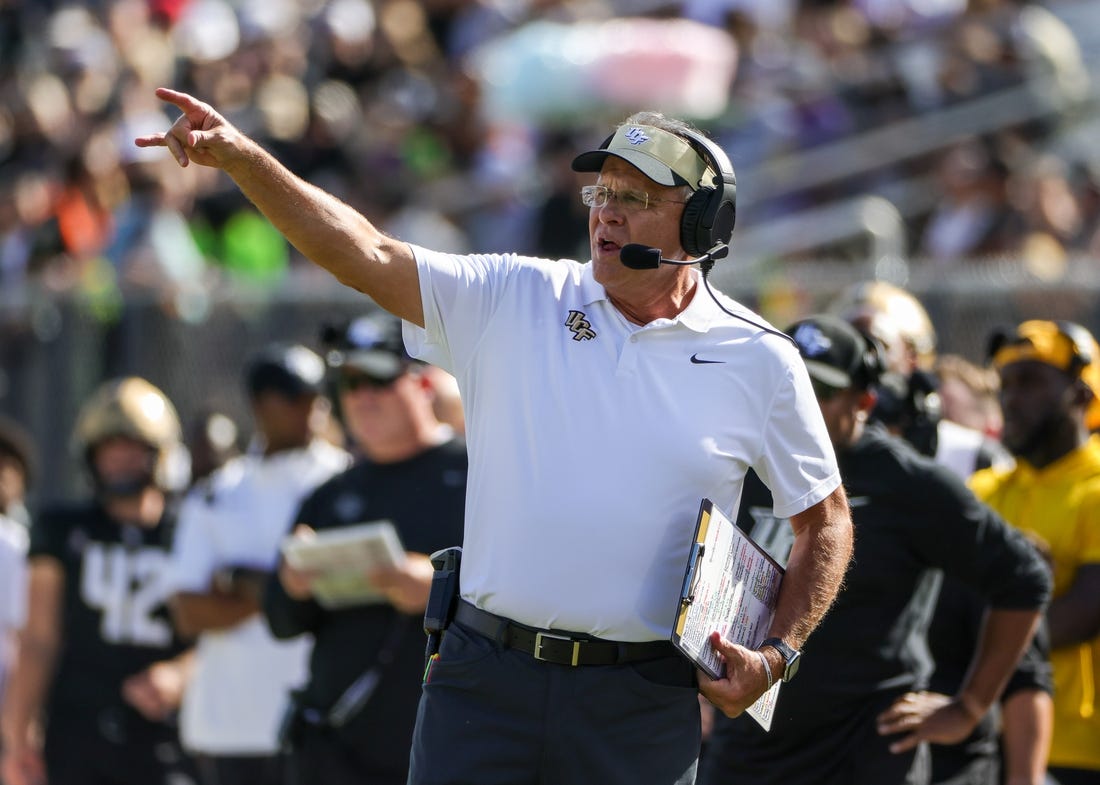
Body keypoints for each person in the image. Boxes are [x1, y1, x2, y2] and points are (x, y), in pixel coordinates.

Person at [137, 89, 855, 785]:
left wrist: (777, 653)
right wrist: (240, 159)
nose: (606, 212)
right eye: (599, 193)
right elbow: (365, 253)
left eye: (635, 197)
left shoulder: (759, 358)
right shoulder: (515, 296)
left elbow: (825, 522)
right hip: (484, 680)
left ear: (701, 224)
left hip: (639, 699)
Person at [701, 315, 1051, 785]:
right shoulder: (735, 462)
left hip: (866, 754)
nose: (796, 403)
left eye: (820, 392)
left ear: (865, 401)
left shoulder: (906, 483)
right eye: (788, 384)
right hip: (747, 748)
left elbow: (1024, 577)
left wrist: (970, 706)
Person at [263, 312, 467, 785]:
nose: (362, 397)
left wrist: (439, 592)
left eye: (378, 378)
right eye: (350, 383)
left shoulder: (479, 473)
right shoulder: (330, 493)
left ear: (423, 383)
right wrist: (293, 584)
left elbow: (524, 593)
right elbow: (280, 621)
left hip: (444, 747)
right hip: (336, 747)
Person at [0, 377, 198, 785]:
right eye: (109, 450)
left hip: (170, 738)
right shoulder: (63, 530)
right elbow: (38, 638)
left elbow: (223, 632)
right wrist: (18, 736)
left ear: (160, 453)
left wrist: (182, 673)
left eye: (132, 448)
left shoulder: (192, 528)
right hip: (78, 732)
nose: (120, 460)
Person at [166, 344, 349, 785]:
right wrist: (290, 589)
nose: (310, 407)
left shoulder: (346, 481)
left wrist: (243, 583)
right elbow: (189, 613)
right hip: (233, 722)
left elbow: (348, 591)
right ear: (258, 404)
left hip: (326, 719)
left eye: (315, 395)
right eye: (293, 396)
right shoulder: (217, 494)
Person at [970, 320, 1100, 785]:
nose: (1010, 398)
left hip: (1082, 749)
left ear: (1081, 395)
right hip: (987, 736)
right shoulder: (982, 491)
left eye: (1030, 382)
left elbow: (1087, 611)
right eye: (1004, 384)